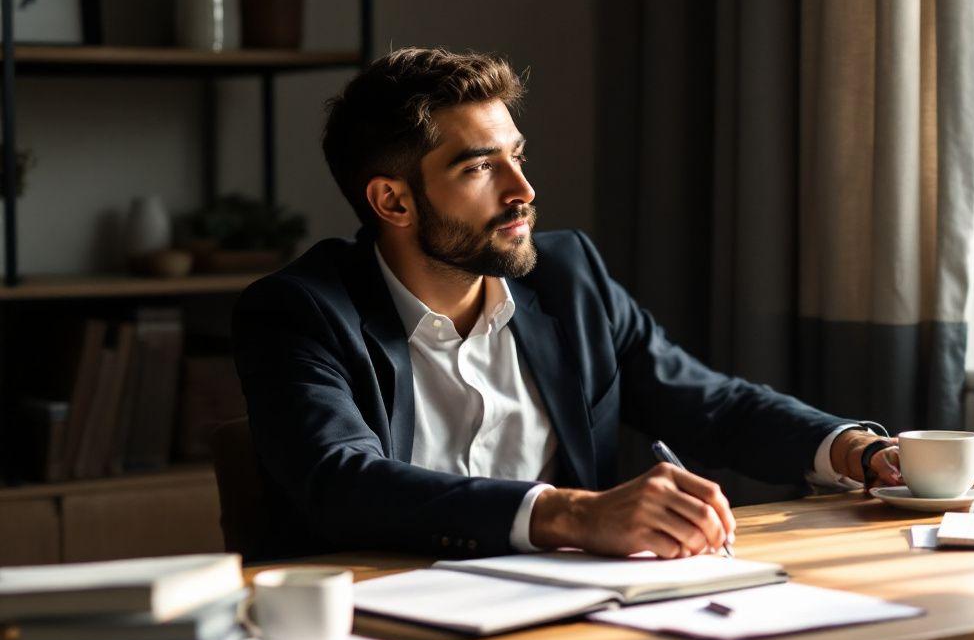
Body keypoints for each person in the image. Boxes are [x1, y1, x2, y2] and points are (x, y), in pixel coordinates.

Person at [233, 47, 905, 561]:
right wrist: (573, 514)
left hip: (570, 614)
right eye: (479, 168)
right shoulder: (299, 312)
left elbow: (708, 403)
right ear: (393, 201)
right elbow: (343, 481)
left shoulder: (568, 276)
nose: (522, 189)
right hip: (383, 625)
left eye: (517, 157)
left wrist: (853, 451)